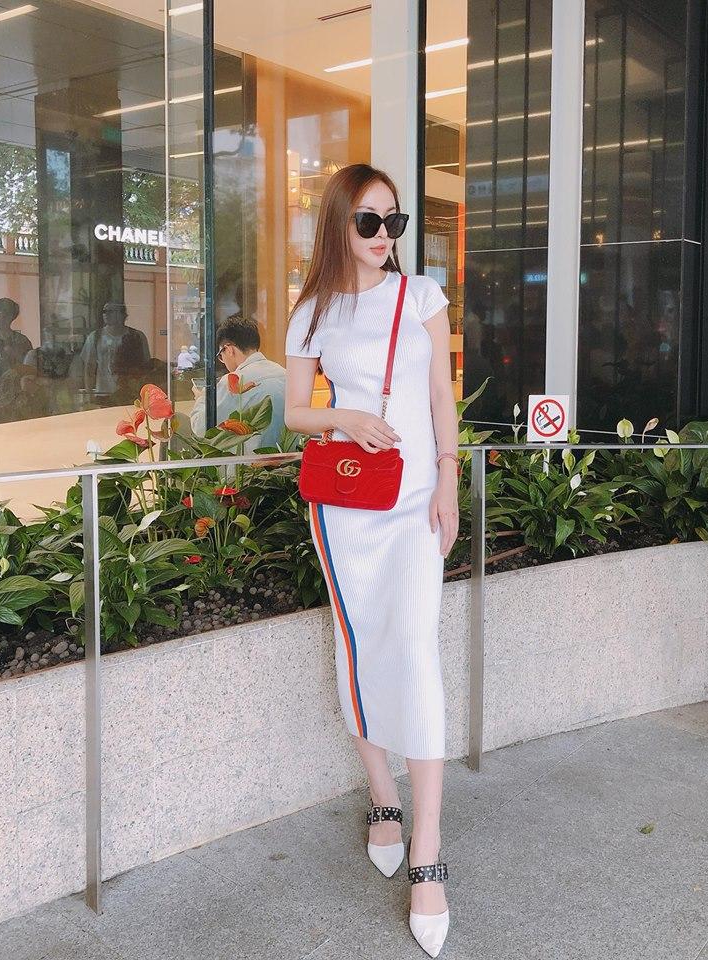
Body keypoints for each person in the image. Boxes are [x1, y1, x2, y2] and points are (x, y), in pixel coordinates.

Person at [283, 163, 459, 957]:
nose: (384, 235)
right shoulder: (313, 309)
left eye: (394, 220)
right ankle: (382, 795)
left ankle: (427, 845)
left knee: (414, 648)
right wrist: (345, 415)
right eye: (367, 221)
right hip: (347, 505)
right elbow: (294, 413)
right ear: (338, 224)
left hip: (415, 501)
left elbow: (439, 398)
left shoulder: (421, 296)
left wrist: (449, 480)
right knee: (357, 646)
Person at [189, 315, 286, 450]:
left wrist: (202, 399)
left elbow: (201, 428)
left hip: (250, 462)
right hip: (288, 457)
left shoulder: (233, 380)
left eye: (220, 356)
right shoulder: (284, 373)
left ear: (229, 350)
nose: (222, 361)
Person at [80, 301, 151, 400]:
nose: (106, 314)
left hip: (130, 394)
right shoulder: (95, 337)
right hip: (103, 394)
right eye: (104, 311)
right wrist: (89, 395)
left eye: (111, 311)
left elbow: (146, 367)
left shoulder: (137, 336)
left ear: (122, 315)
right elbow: (89, 368)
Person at [0, 298, 32, 379]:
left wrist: (16, 355)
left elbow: (29, 368)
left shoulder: (22, 341)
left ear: (9, 316)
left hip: (15, 383)